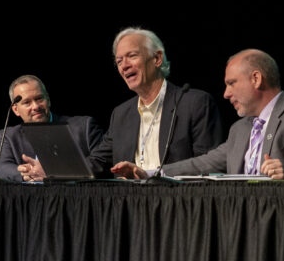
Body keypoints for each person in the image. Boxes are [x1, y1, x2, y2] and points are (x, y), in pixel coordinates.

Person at [112, 49, 284, 181]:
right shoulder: (240, 129)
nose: (226, 94)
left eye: (231, 83)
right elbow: (203, 164)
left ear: (256, 79)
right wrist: (149, 173)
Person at [86, 28, 224, 176]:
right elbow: (97, 162)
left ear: (157, 58)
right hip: (131, 198)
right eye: (119, 61)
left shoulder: (195, 103)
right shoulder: (120, 114)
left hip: (178, 197)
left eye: (132, 56)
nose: (124, 66)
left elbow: (208, 166)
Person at [0, 75, 104, 182]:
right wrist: (28, 173)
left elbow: (100, 162)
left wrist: (53, 171)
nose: (36, 106)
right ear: (16, 110)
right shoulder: (8, 136)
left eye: (39, 98)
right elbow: (2, 168)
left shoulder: (83, 127)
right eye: (27, 102)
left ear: (48, 99)